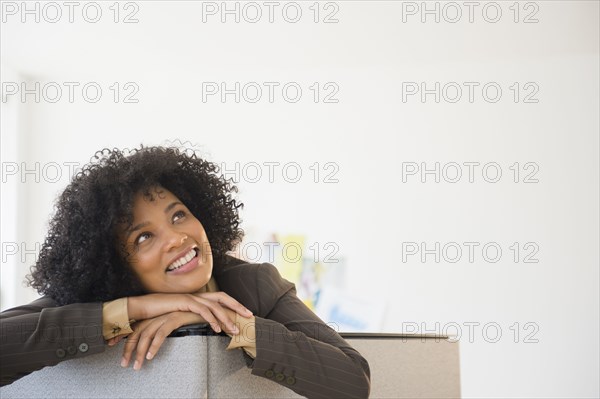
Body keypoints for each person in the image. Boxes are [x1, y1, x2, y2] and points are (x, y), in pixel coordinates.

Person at [0, 145, 371, 398]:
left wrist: (226, 320)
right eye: (143, 237)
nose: (177, 238)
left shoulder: (254, 285)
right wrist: (133, 310)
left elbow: (350, 382)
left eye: (179, 215)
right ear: (112, 262)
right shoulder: (93, 296)